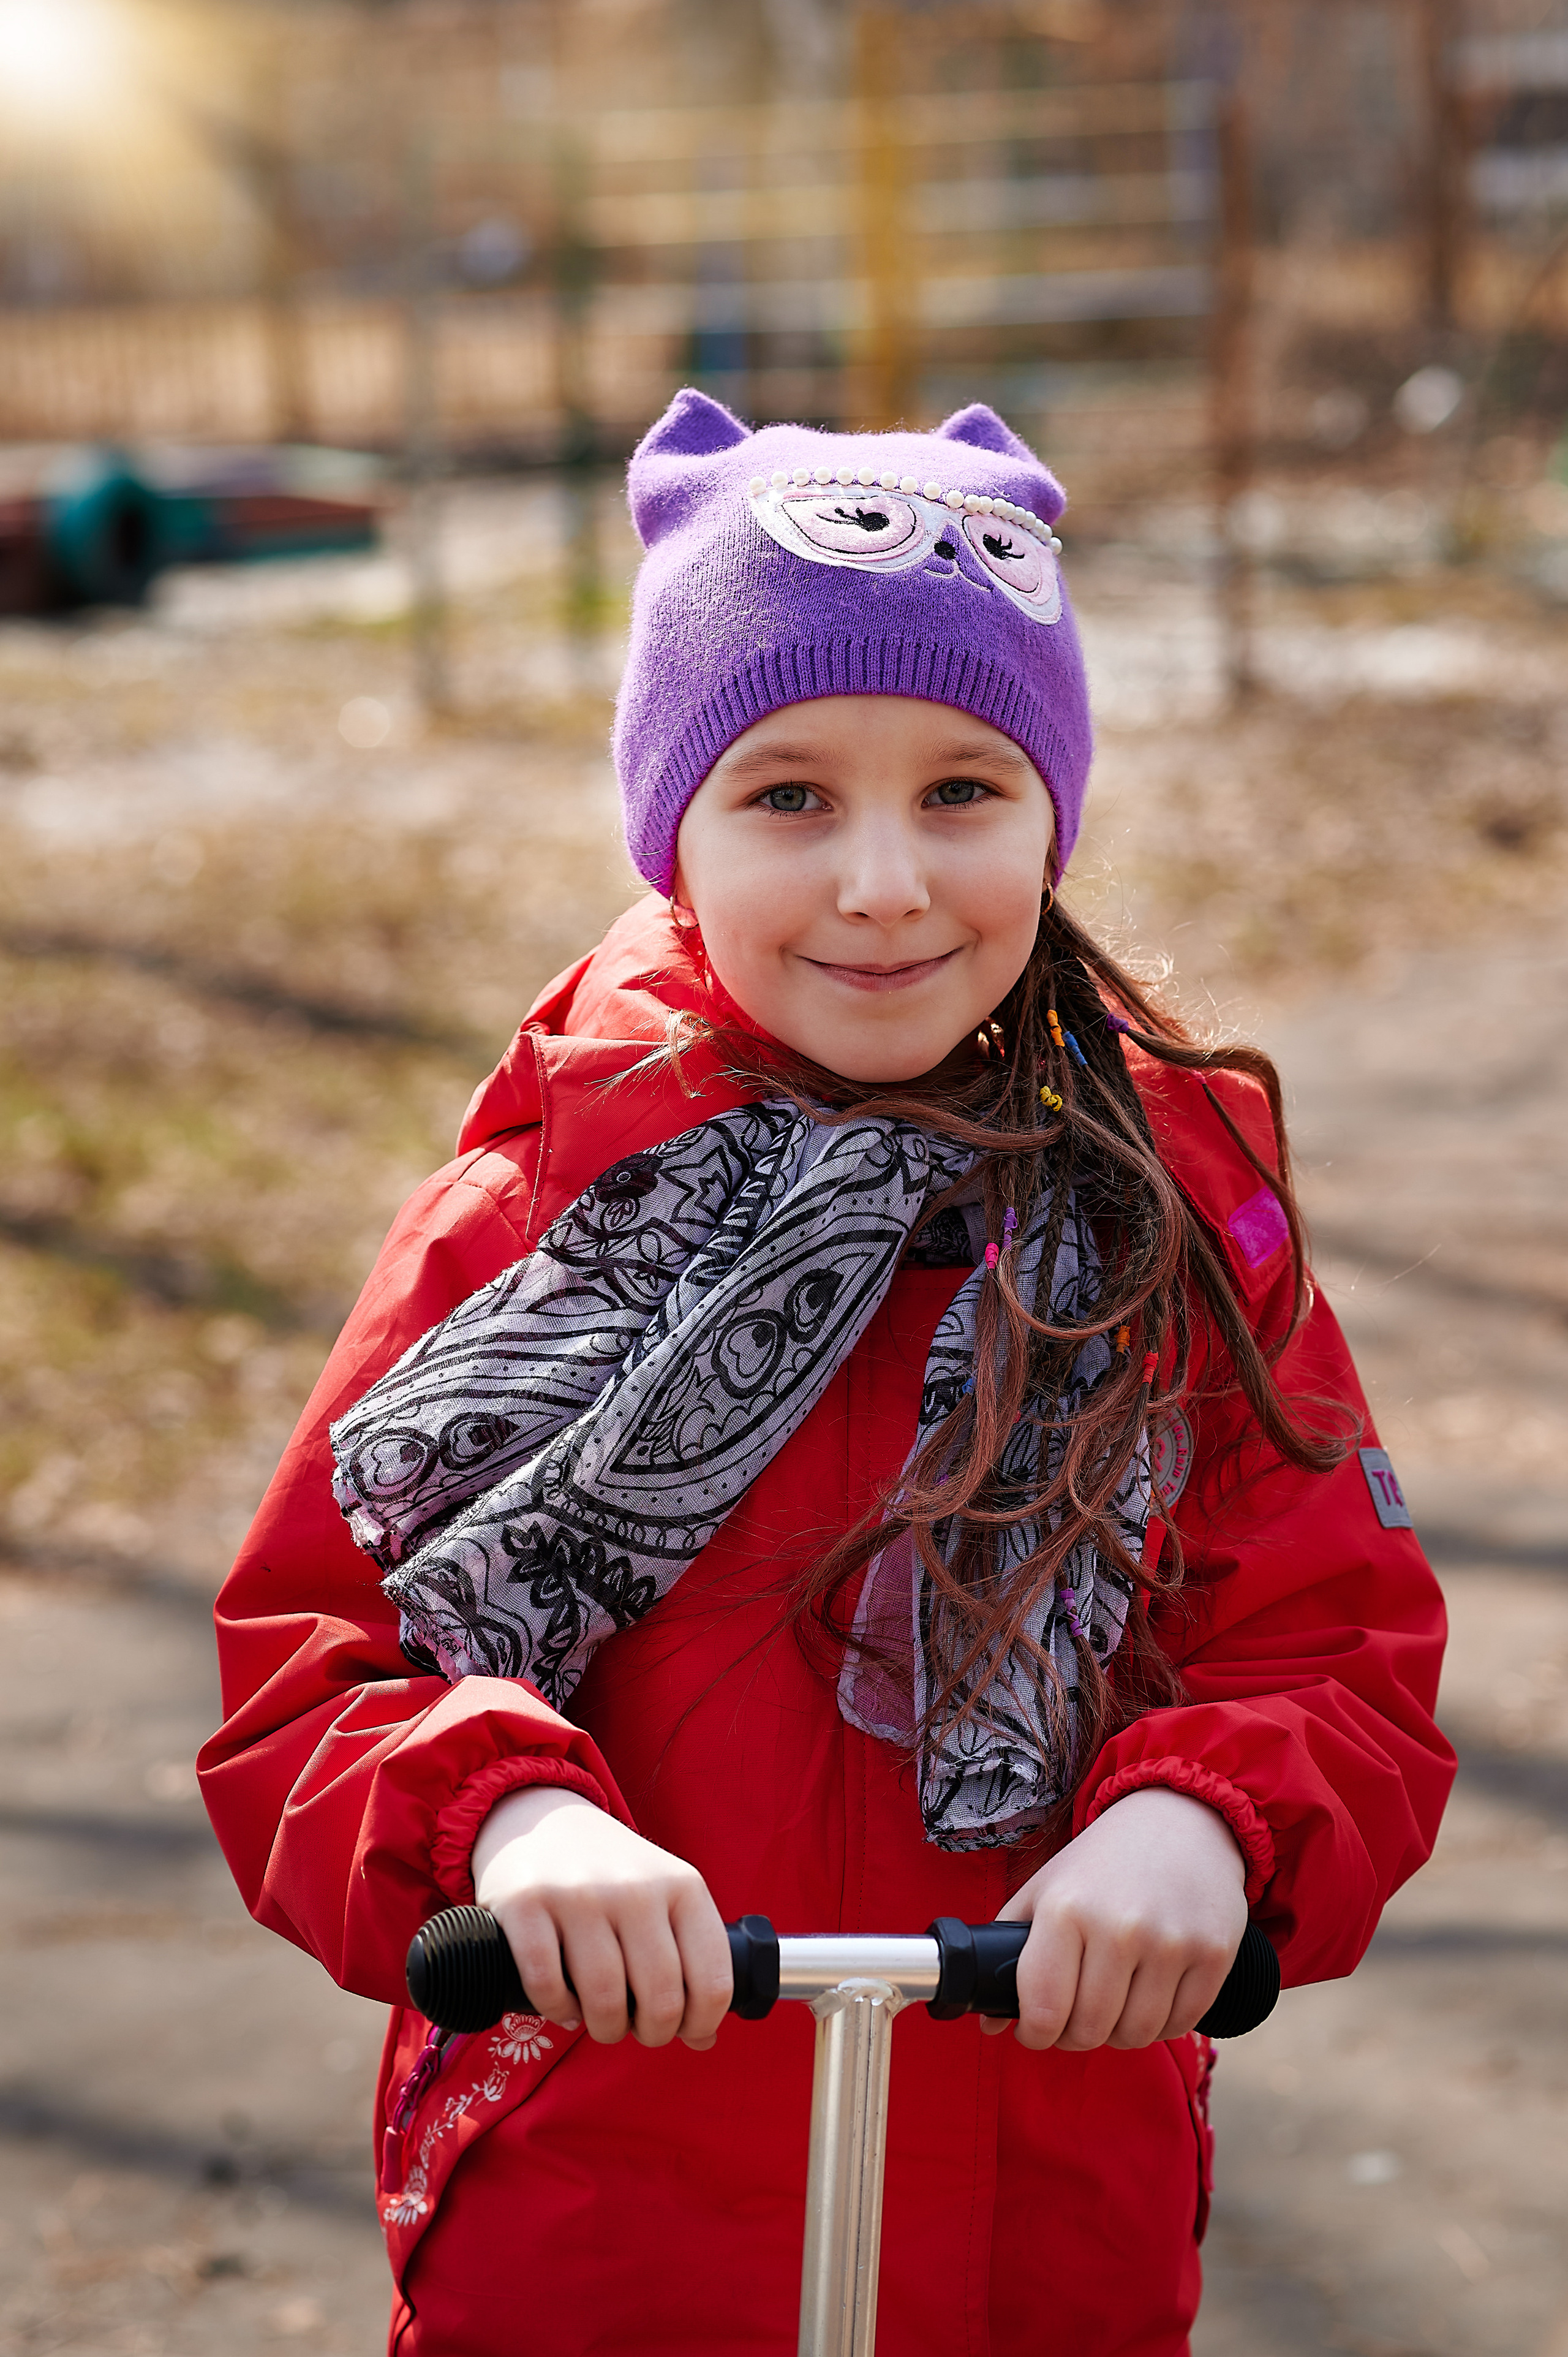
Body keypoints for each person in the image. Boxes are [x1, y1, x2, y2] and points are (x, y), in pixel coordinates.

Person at [200, 392, 1454, 2357]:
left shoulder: (1175, 1221)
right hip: (597, 2226)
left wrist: (1204, 1819)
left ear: (1055, 814)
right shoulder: (533, 1211)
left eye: (965, 790)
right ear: (675, 826)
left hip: (1042, 2221)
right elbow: (315, 1665)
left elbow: (1338, 1650)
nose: (883, 880)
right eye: (788, 796)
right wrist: (512, 1822)